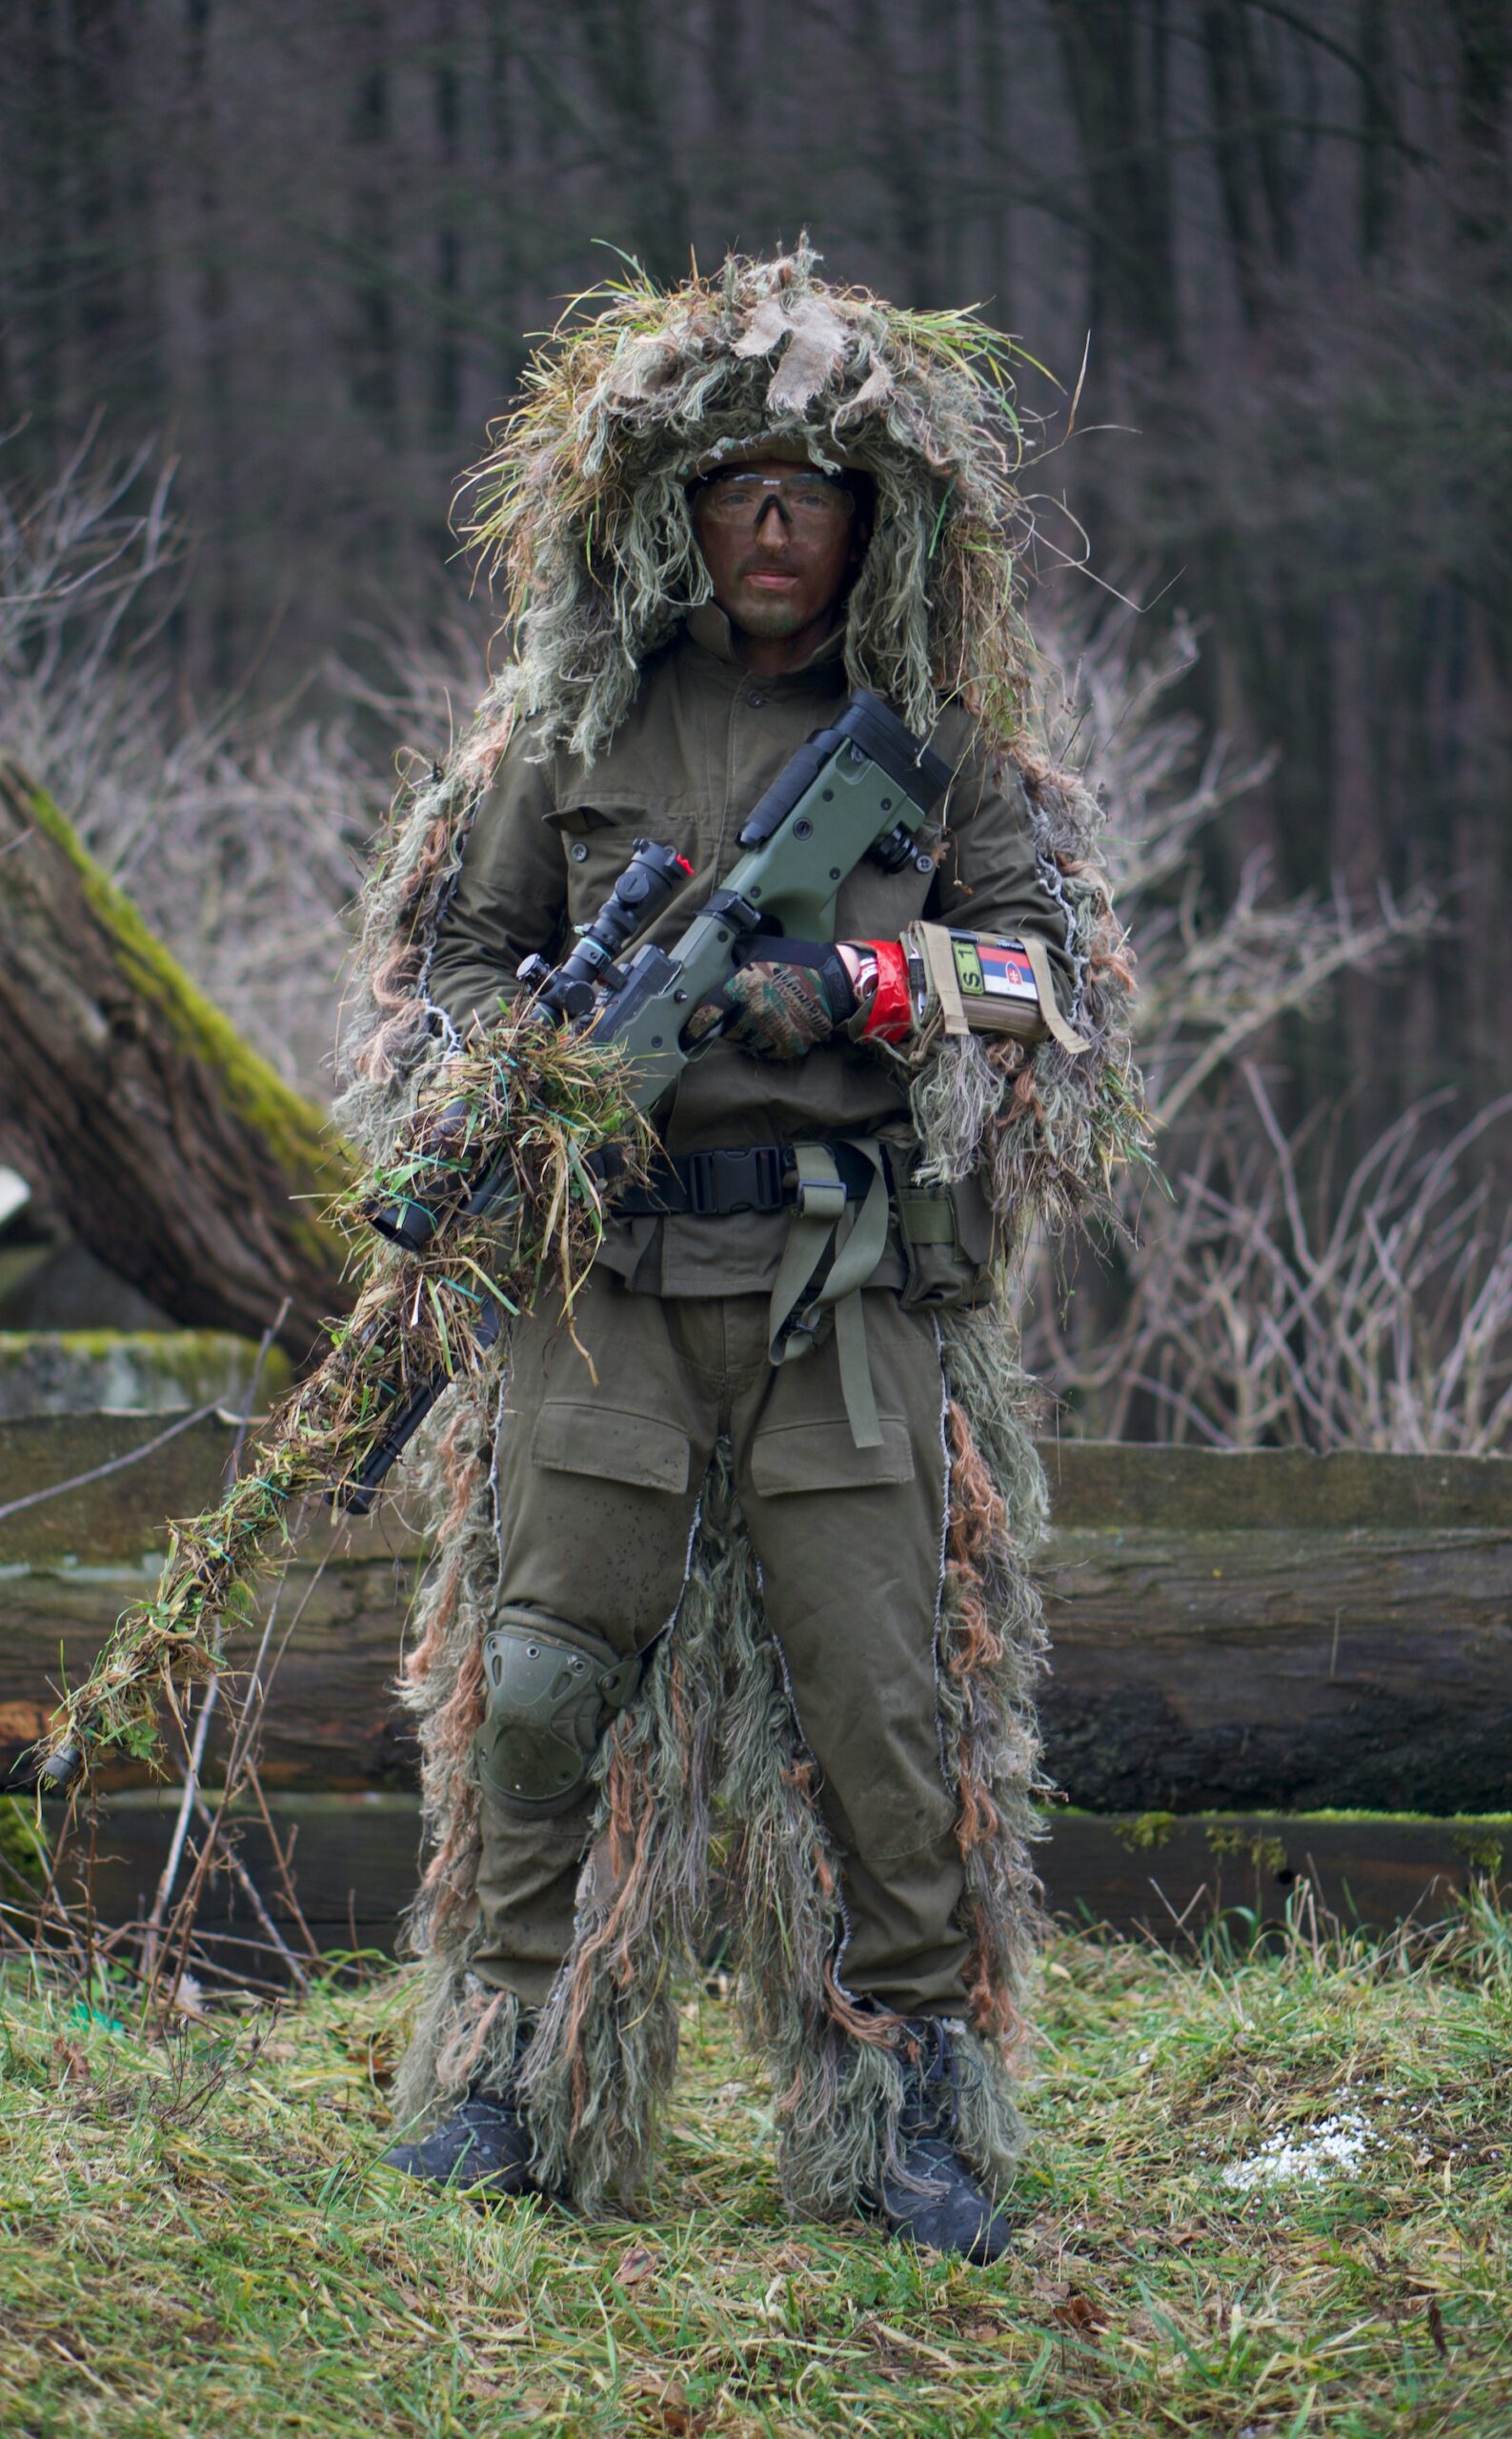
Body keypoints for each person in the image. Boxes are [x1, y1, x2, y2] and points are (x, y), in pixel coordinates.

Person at [337, 248, 1138, 2257]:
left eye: (812, 489)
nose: (773, 523)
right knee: (532, 1690)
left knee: (886, 1715)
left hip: (838, 1308)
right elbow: (446, 955)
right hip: (601, 1302)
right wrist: (517, 1073)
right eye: (736, 487)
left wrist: (853, 986)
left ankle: (914, 2114)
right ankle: (507, 2074)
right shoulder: (571, 730)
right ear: (673, 512)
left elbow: (1053, 987)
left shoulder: (937, 756)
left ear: (869, 519)